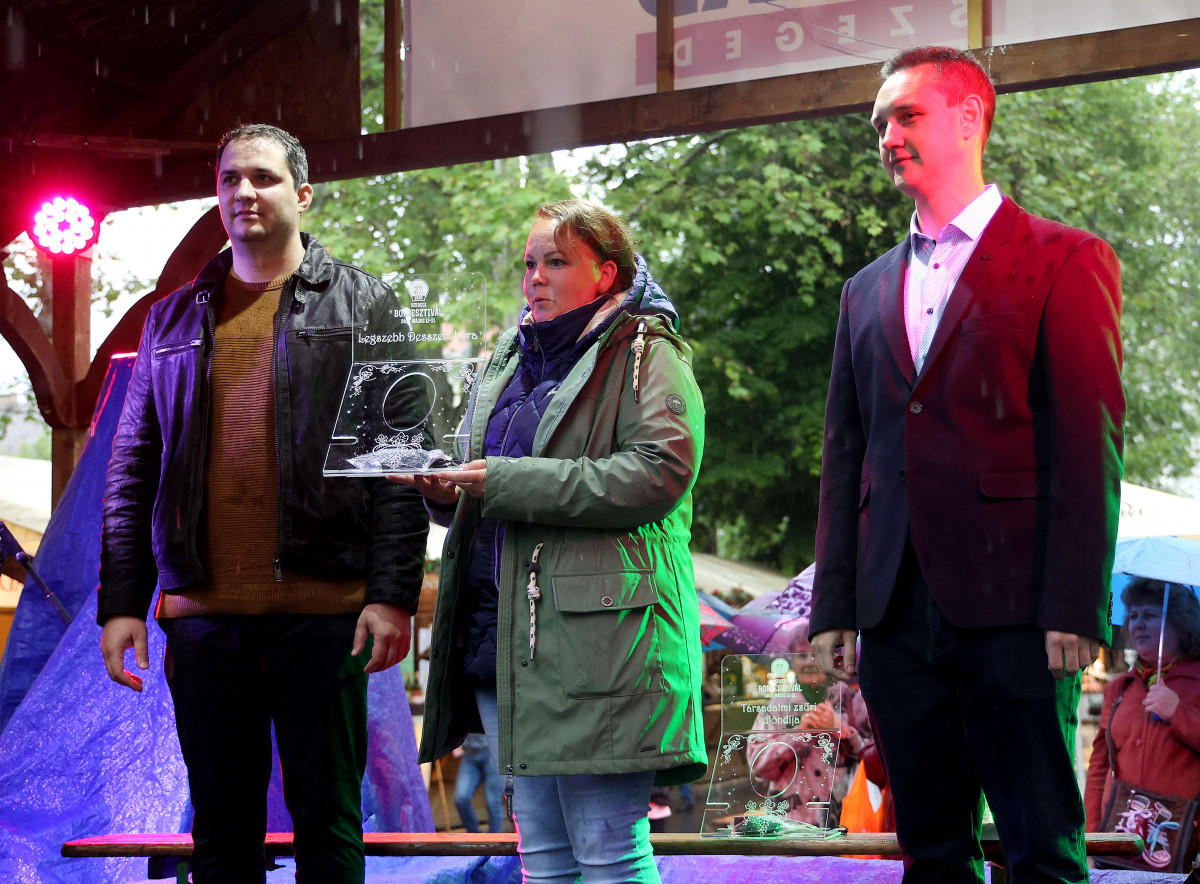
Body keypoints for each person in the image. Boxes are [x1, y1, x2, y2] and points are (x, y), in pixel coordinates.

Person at [808, 46, 1124, 883]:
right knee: (931, 855)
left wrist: (1076, 604)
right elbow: (845, 453)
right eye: (879, 123)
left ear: (969, 118)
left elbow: (1088, 442)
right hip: (893, 615)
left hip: (1018, 611)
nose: (886, 136)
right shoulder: (863, 290)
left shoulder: (1065, 258)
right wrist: (835, 605)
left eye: (905, 116)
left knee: (1041, 852)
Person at [97, 124, 428, 884]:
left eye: (264, 178)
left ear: (302, 195)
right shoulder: (170, 318)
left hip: (325, 614)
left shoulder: (366, 302)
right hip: (204, 616)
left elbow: (402, 462)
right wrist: (122, 603)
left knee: (329, 826)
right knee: (221, 833)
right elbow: (132, 469)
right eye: (230, 179)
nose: (244, 191)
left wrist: (391, 595)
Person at [394, 198, 707, 882]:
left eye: (557, 261)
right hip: (505, 644)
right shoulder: (509, 359)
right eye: (529, 263)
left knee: (608, 855)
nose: (535, 277)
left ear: (606, 273)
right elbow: (492, 489)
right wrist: (446, 491)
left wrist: (507, 481)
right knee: (542, 860)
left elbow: (659, 472)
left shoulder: (647, 351)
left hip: (604, 648)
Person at [1086, 579, 1200, 863]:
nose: (1137, 624)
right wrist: (1091, 841)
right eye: (1133, 615)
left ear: (1180, 623)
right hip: (1119, 842)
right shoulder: (1118, 689)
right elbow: (1100, 769)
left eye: (1149, 615)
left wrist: (1178, 713)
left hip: (1184, 844)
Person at [453, 733, 506, 833]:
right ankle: (476, 836)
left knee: (492, 802)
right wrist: (454, 742)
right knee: (461, 798)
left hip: (492, 752)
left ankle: (494, 840)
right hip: (469, 754)